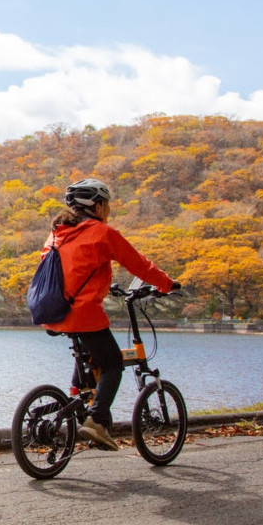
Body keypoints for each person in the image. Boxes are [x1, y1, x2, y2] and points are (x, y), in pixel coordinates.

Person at [38, 178, 178, 451]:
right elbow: (140, 265)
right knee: (113, 363)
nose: (108, 210)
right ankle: (97, 421)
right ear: (98, 206)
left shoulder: (56, 234)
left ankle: (80, 404)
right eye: (107, 205)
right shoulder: (102, 233)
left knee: (91, 360)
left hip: (53, 312)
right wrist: (167, 284)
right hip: (84, 314)